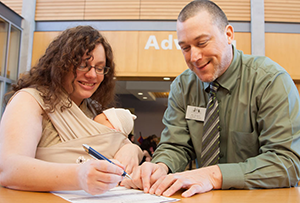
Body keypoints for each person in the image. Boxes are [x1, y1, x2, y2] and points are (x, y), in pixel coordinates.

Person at [122, 0, 300, 198]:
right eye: (185, 47)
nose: (194, 56)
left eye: (202, 43)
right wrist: (160, 166)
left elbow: (287, 163)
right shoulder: (182, 86)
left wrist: (215, 175)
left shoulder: (270, 81)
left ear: (229, 34)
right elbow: (176, 145)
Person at [0, 25, 143, 195]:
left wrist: (132, 150)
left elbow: (120, 144)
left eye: (99, 68)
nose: (92, 75)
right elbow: (9, 169)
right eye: (83, 65)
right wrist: (78, 175)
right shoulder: (30, 100)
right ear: (61, 64)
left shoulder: (92, 108)